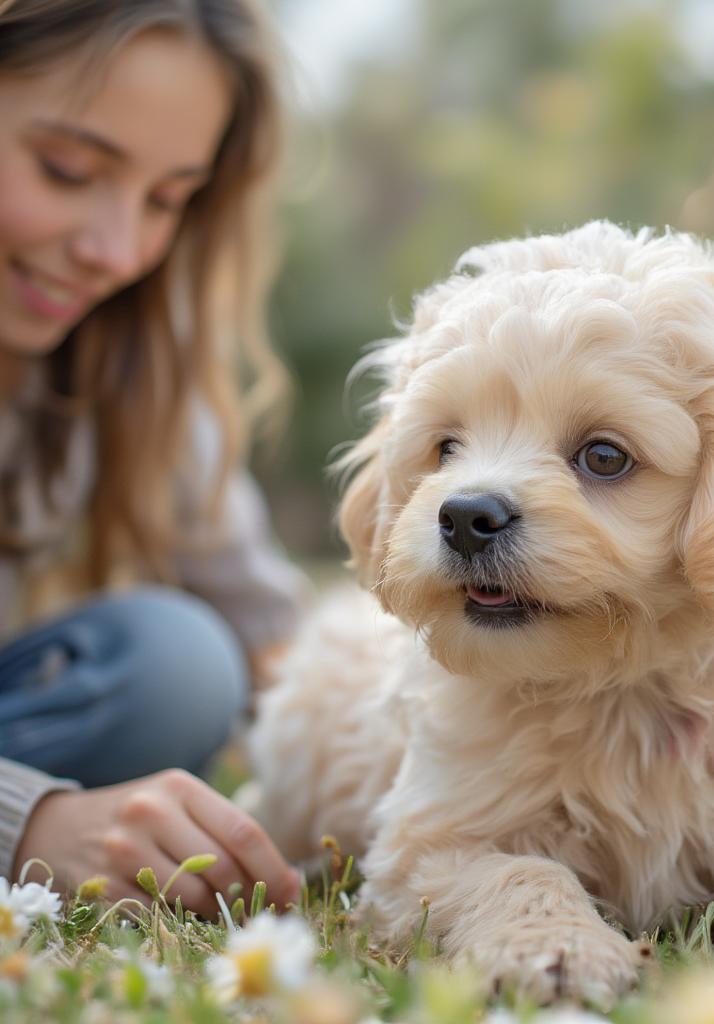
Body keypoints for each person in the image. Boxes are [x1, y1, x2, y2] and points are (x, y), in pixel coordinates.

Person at [0, 0, 308, 915]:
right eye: (68, 169)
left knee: (175, 665)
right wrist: (31, 825)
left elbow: (272, 639)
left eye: (166, 200)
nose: (113, 250)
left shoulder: (127, 351)